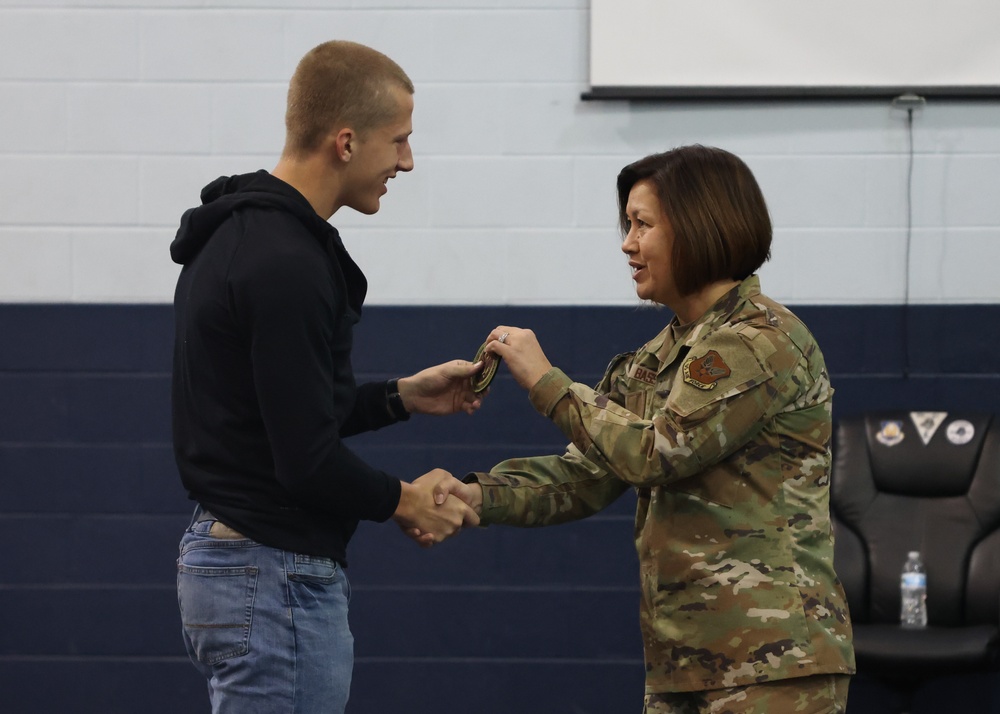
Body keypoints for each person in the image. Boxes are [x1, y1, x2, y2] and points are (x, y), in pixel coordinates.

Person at [429, 146, 856, 713]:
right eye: (627, 224)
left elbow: (655, 454)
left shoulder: (759, 339)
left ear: (699, 228)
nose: (627, 244)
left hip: (771, 665)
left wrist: (546, 382)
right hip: (684, 663)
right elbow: (589, 476)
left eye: (643, 225)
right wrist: (478, 497)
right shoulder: (657, 357)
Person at [170, 40, 481, 714]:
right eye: (397, 140)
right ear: (346, 141)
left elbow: (287, 413)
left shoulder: (240, 236)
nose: (407, 160)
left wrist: (402, 397)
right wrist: (405, 499)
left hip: (236, 565)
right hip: (270, 574)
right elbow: (306, 462)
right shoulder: (286, 263)